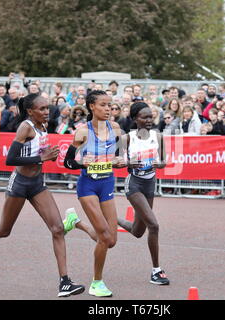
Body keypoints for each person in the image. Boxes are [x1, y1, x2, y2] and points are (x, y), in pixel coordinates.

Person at [0, 93, 85, 298]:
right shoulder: (26, 127)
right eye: (41, 109)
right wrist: (41, 157)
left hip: (37, 184)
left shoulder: (43, 126)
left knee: (58, 228)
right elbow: (10, 159)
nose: (46, 112)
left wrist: (44, 158)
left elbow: (36, 155)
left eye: (47, 108)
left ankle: (65, 282)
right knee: (4, 230)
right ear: (30, 111)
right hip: (20, 184)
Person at [63, 90, 126, 297]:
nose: (108, 109)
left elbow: (119, 154)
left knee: (111, 241)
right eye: (103, 105)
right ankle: (96, 283)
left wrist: (119, 160)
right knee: (105, 237)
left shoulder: (115, 128)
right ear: (92, 106)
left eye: (110, 105)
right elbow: (68, 162)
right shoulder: (83, 132)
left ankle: (76, 223)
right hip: (88, 187)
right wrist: (81, 162)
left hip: (107, 184)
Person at [117, 102, 169, 285]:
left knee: (138, 231)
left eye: (151, 116)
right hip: (134, 185)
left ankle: (111, 217)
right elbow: (118, 160)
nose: (149, 120)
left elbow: (164, 160)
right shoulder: (127, 138)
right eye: (144, 117)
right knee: (153, 225)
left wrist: (161, 164)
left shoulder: (159, 136)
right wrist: (128, 163)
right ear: (135, 119)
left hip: (150, 184)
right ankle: (156, 271)